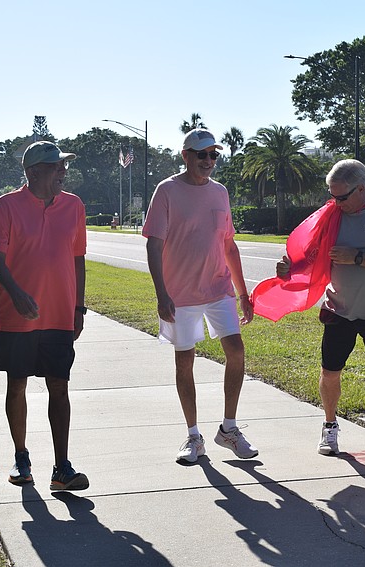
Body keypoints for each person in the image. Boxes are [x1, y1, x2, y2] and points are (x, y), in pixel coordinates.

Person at [276, 159, 365, 470]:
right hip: (339, 308)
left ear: (362, 189)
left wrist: (358, 257)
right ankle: (329, 426)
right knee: (330, 372)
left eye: (341, 197)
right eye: (331, 195)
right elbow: (310, 255)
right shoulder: (332, 214)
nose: (335, 202)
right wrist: (289, 269)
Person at [0, 140, 90, 490]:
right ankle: (21, 459)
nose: (63, 173)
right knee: (17, 383)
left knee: (60, 386)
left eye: (64, 167)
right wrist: (16, 293)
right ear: (34, 172)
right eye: (57, 167)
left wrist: (79, 306)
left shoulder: (73, 206)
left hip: (59, 314)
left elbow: (78, 258)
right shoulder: (6, 206)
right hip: (17, 316)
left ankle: (62, 468)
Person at [143, 128, 258, 464]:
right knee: (185, 360)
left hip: (217, 287)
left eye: (213, 155)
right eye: (201, 154)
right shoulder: (166, 191)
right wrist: (161, 293)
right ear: (186, 156)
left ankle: (229, 429)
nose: (208, 161)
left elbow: (228, 244)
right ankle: (194, 437)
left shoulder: (220, 193)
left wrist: (243, 293)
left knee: (236, 351)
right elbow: (154, 243)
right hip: (179, 293)